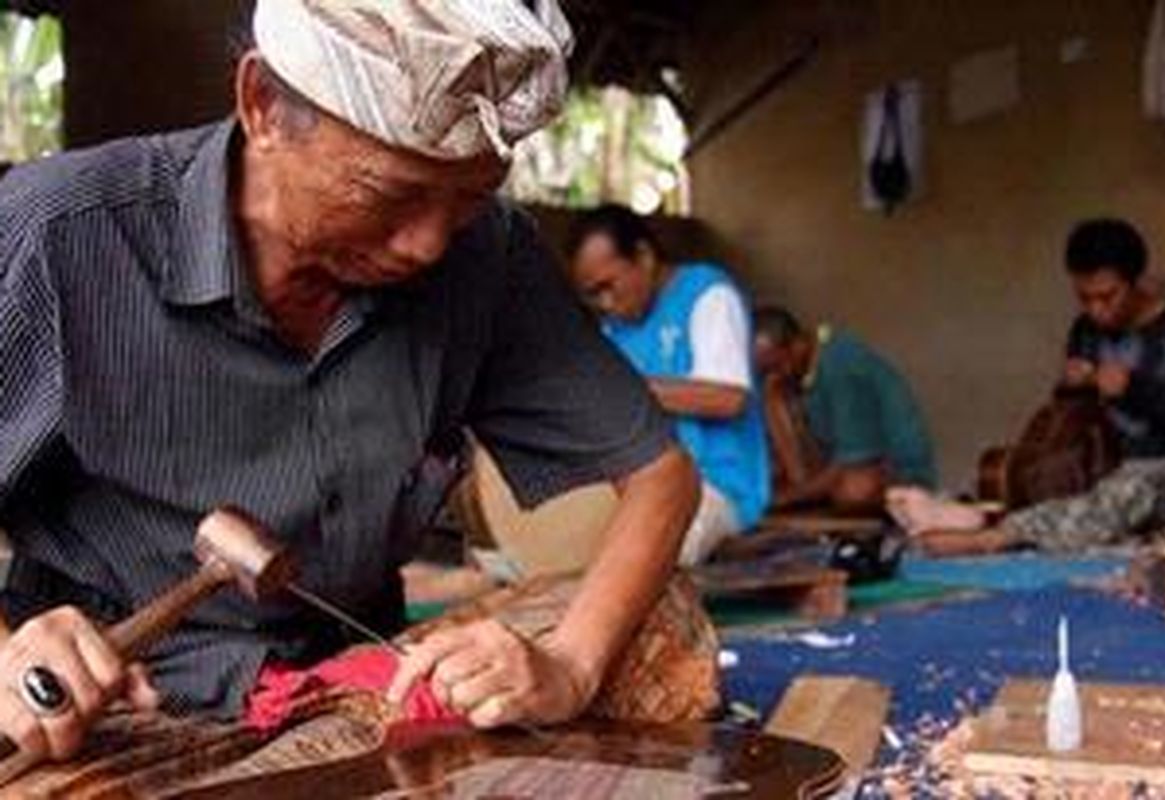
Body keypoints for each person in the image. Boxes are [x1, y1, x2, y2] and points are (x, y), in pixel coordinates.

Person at [0, 0, 700, 764]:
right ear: (263, 105)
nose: (429, 244)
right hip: (101, 713)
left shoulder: (488, 258)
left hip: (358, 690)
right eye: (388, 194)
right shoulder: (56, 234)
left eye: (468, 198)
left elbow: (659, 475)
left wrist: (571, 663)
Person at [889, 218, 1165, 554]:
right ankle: (980, 519)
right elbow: (1073, 419)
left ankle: (994, 538)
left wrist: (1137, 389)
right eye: (1085, 298)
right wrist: (1071, 386)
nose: (1097, 310)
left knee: (1141, 483)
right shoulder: (1085, 331)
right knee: (1030, 471)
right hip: (1101, 475)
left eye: (1108, 296)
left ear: (1135, 281)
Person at [568, 204, 769, 565]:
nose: (605, 303)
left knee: (644, 556)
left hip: (715, 484)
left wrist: (626, 391)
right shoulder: (614, 330)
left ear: (644, 256)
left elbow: (728, 398)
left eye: (607, 286)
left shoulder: (707, 295)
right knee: (560, 541)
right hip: (642, 485)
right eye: (593, 295)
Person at [753, 307, 937, 512]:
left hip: (898, 471)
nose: (773, 376)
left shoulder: (842, 366)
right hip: (840, 464)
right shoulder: (798, 373)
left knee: (853, 490)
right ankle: (805, 494)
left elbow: (851, 462)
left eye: (777, 366)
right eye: (765, 371)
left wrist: (788, 498)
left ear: (799, 345)